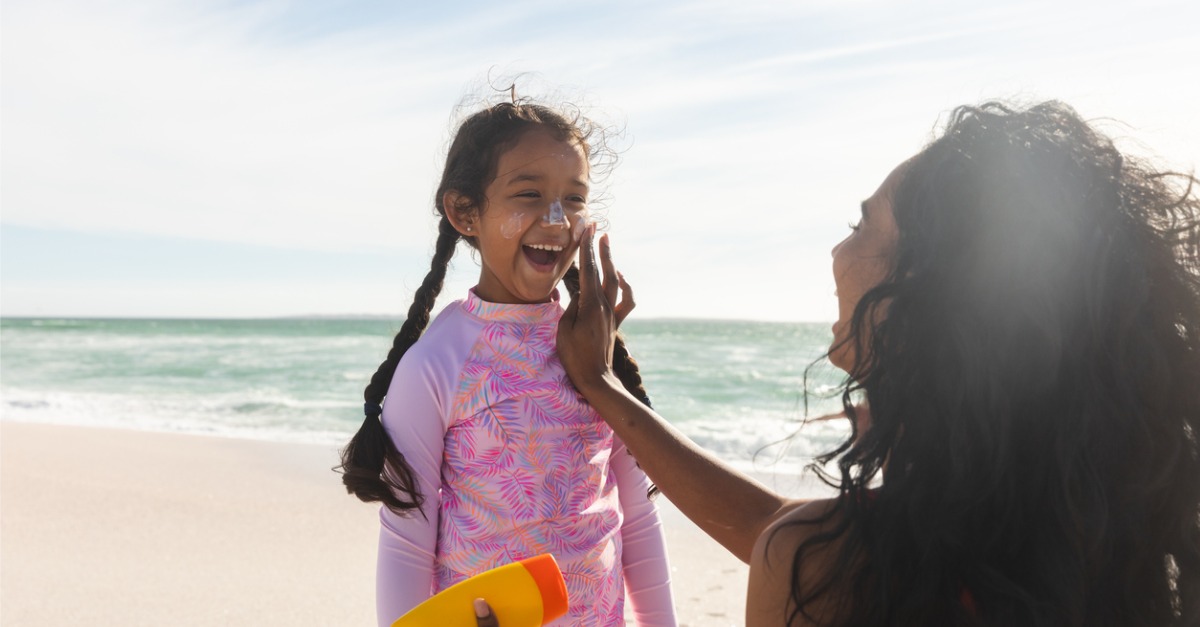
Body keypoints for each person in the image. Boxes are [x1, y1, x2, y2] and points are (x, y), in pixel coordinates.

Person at [551, 101, 1200, 626]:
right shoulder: (1104, 533)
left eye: (863, 226)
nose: (838, 248)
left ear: (923, 290)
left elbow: (797, 545)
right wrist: (604, 388)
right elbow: (771, 526)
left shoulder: (837, 566)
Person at [338, 98, 677, 626]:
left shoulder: (593, 345)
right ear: (465, 212)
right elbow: (407, 544)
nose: (557, 219)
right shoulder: (439, 361)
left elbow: (636, 519)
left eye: (574, 198)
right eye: (529, 195)